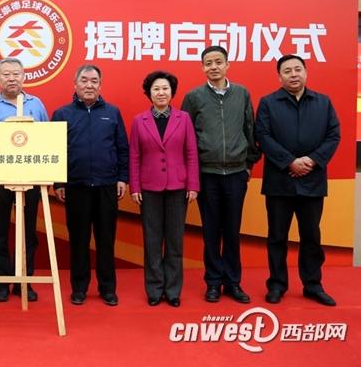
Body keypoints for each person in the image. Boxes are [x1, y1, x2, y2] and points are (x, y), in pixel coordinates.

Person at [255, 54, 340, 307]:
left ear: (306, 72)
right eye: (287, 71)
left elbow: (333, 135)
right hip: (279, 182)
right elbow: (263, 136)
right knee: (277, 236)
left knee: (311, 236)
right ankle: (277, 284)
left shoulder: (323, 102)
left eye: (297, 69)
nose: (293, 74)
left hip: (313, 181)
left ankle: (313, 285)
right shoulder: (268, 103)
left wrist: (312, 161)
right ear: (279, 76)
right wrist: (290, 161)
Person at [181, 45, 260, 304]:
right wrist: (191, 173)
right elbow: (186, 137)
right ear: (202, 67)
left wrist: (248, 164)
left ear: (227, 65)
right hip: (207, 174)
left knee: (233, 231)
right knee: (211, 231)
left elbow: (250, 129)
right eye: (208, 63)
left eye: (218, 62)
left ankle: (233, 283)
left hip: (236, 173)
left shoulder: (242, 93)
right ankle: (213, 282)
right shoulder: (193, 97)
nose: (213, 67)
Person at [52, 64, 128, 307]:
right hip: (76, 187)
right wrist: (59, 182)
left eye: (94, 81)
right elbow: (55, 152)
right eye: (84, 80)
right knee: (79, 240)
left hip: (107, 185)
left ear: (100, 85)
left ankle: (108, 288)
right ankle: (79, 288)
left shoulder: (112, 112)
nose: (89, 85)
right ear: (75, 84)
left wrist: (122, 178)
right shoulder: (62, 114)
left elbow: (122, 148)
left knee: (106, 240)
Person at [0, 57, 48, 302]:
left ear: (24, 76)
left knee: (28, 233)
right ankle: (1, 282)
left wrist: (47, 177)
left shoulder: (36, 104)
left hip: (31, 180)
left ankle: (24, 282)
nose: (11, 78)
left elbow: (47, 140)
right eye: (6, 74)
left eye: (16, 74)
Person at [129, 70, 199, 308]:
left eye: (165, 88)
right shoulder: (139, 121)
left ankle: (173, 290)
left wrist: (193, 185)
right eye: (156, 89)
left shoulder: (183, 118)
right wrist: (135, 186)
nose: (161, 92)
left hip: (178, 187)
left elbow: (191, 153)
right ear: (149, 93)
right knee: (152, 241)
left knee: (175, 242)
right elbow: (134, 155)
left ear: (172, 92)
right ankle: (154, 289)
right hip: (148, 188)